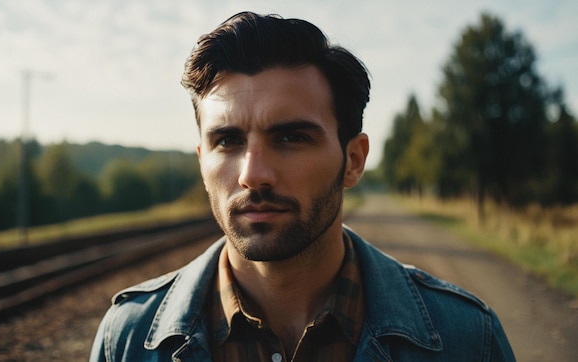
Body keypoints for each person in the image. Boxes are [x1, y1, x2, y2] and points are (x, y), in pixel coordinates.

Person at [90, 11, 515, 361]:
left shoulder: (467, 339)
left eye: (291, 138)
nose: (253, 174)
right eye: (228, 141)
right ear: (203, 163)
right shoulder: (126, 339)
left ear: (353, 161)